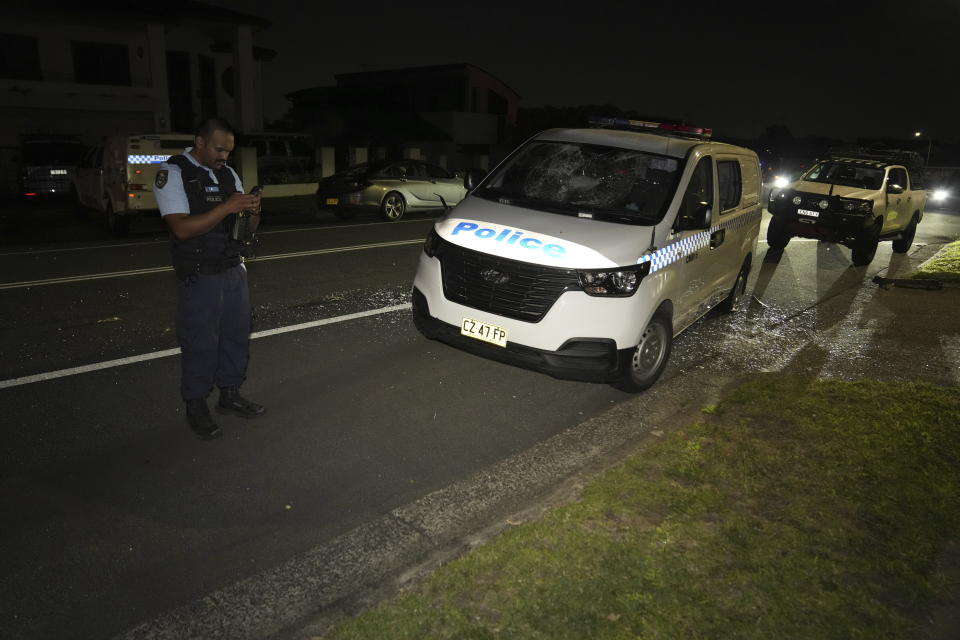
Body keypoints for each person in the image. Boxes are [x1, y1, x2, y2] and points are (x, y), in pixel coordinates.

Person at [155, 116, 266, 440]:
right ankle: (196, 404)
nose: (224, 157)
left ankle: (229, 394)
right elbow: (181, 228)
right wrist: (229, 206)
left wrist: (253, 210)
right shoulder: (174, 173)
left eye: (228, 151)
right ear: (200, 142)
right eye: (219, 149)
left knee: (236, 336)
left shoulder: (227, 174)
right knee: (201, 342)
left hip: (233, 269)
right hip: (200, 274)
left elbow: (246, 227)